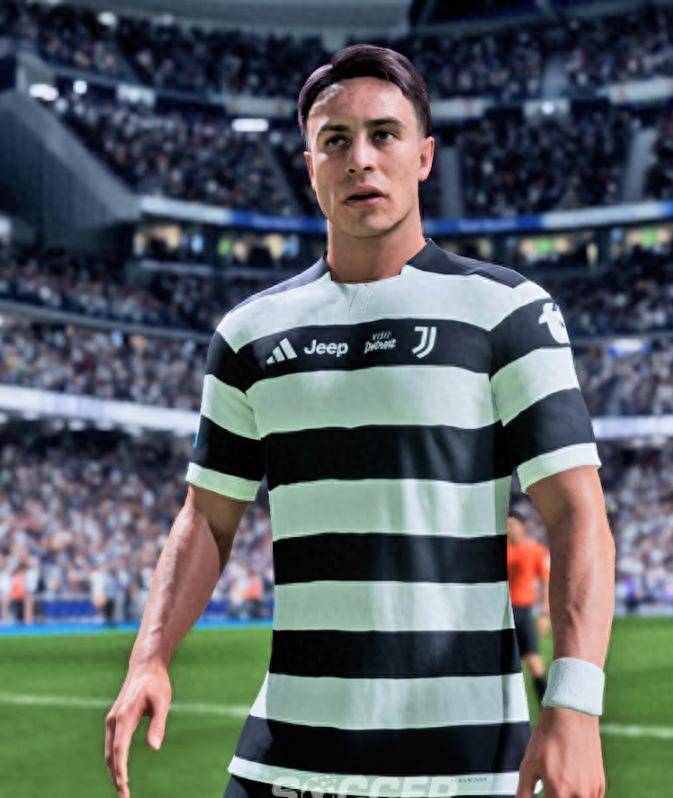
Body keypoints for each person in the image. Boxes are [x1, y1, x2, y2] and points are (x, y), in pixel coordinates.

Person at [104, 44, 615, 798]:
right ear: (310, 165)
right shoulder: (248, 335)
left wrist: (573, 705)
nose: (360, 159)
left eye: (384, 134)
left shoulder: (508, 311)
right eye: (335, 141)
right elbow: (206, 518)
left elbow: (577, 514)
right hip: (282, 761)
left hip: (465, 766)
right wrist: (148, 655)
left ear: (424, 156)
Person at [506, 509, 551, 701]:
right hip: (502, 615)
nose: (507, 528)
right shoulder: (498, 552)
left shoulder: (535, 551)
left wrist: (544, 614)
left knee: (534, 662)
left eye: (511, 524)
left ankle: (547, 710)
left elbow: (546, 583)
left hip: (523, 613)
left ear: (522, 527)